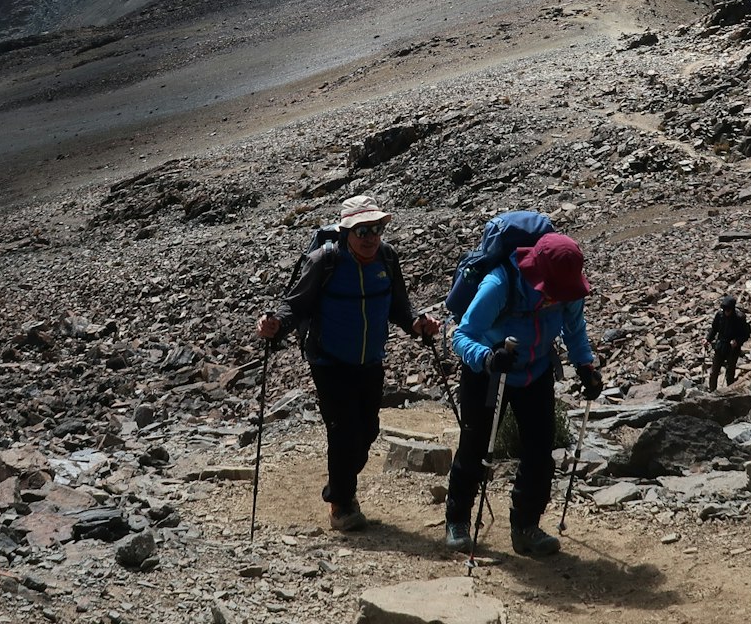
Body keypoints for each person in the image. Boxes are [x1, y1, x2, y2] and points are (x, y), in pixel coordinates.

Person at [257, 196, 438, 532]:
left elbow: (400, 308)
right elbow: (295, 305)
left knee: (367, 430)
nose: (371, 236)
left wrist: (417, 324)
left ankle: (342, 487)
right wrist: (275, 326)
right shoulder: (324, 261)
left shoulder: (387, 257)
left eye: (377, 228)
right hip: (329, 360)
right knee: (342, 431)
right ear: (346, 231)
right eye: (362, 230)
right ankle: (341, 503)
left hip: (370, 359)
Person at [443, 231, 600, 558]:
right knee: (475, 447)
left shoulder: (568, 286)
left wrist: (585, 365)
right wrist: (487, 357)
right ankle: (457, 520)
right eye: (554, 293)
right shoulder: (500, 284)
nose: (559, 299)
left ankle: (525, 526)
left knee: (541, 451)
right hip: (488, 373)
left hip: (535, 370)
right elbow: (461, 336)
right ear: (539, 274)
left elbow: (575, 328)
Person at [706, 296, 751, 391]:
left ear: (732, 309)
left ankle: (730, 393)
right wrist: (708, 339)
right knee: (714, 372)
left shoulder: (740, 318)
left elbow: (746, 334)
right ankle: (711, 391)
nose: (726, 312)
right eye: (725, 310)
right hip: (720, 346)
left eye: (728, 310)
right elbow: (714, 329)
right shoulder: (719, 315)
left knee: (730, 373)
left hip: (733, 349)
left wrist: (737, 341)